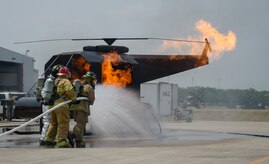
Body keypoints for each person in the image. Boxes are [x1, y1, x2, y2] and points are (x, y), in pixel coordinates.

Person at [44, 66, 77, 148]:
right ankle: (61, 141)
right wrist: (73, 98)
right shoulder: (65, 81)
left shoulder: (55, 81)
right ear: (67, 74)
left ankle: (49, 139)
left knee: (54, 123)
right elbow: (69, 90)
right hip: (61, 106)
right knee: (63, 123)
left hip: (52, 106)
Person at [70, 71, 96, 148]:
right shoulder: (89, 87)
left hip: (74, 107)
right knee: (80, 124)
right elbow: (91, 100)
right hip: (82, 108)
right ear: (90, 79)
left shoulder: (80, 86)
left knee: (80, 124)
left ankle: (78, 139)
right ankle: (73, 135)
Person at [39, 64, 63, 146]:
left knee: (51, 122)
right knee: (48, 122)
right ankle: (43, 139)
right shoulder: (50, 81)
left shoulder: (50, 80)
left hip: (49, 104)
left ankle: (48, 138)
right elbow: (47, 95)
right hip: (48, 104)